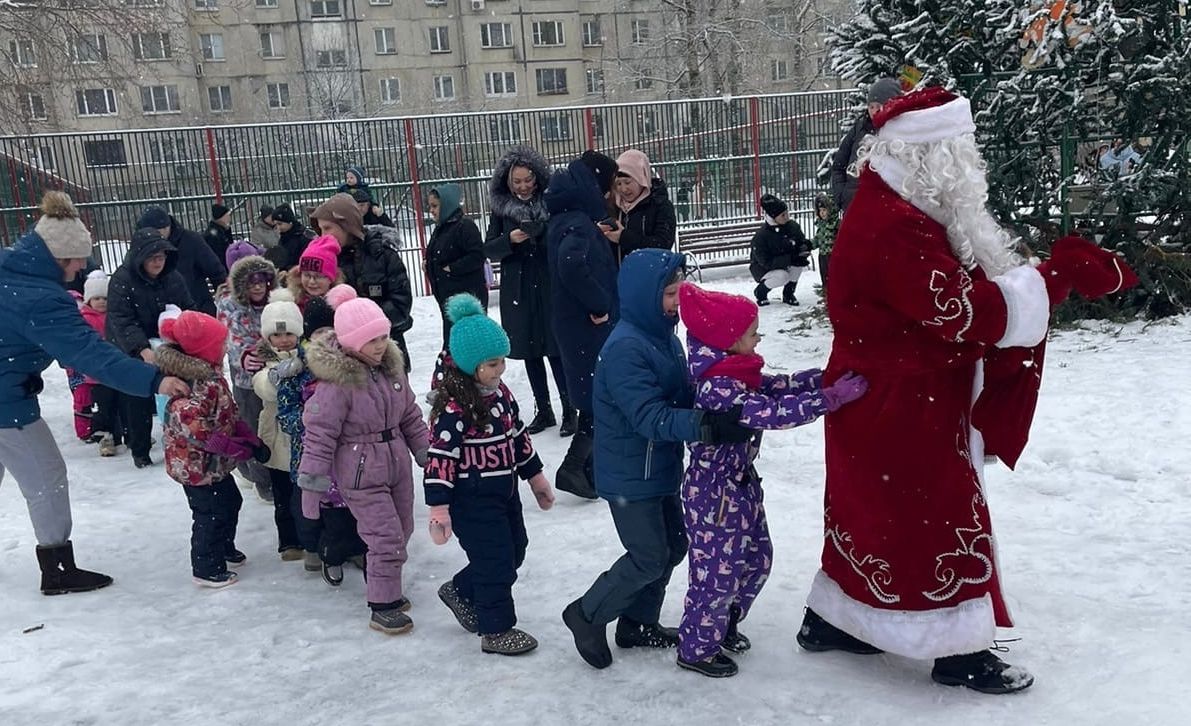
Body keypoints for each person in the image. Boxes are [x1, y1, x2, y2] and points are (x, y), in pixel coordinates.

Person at [801, 86, 1139, 694]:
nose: (970, 161)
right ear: (932, 154)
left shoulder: (901, 201)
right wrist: (1055, 278)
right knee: (933, 513)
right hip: (901, 400)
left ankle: (839, 619)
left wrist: (1035, 276)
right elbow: (959, 310)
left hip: (882, 393)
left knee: (872, 509)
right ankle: (957, 651)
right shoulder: (895, 223)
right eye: (960, 149)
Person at [560, 248, 753, 670]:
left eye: (680, 288)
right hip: (630, 474)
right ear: (644, 295)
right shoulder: (627, 347)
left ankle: (637, 622)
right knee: (648, 555)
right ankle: (587, 614)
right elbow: (649, 416)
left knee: (674, 545)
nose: (678, 298)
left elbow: (681, 394)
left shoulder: (662, 336)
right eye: (669, 292)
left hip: (659, 467)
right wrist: (708, 425)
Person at [673, 283, 868, 677]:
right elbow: (770, 412)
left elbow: (776, 387)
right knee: (716, 573)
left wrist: (821, 378)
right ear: (729, 341)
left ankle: (723, 624)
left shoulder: (737, 370)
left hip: (741, 486)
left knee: (757, 560)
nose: (758, 337)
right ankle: (696, 648)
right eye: (751, 333)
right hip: (716, 495)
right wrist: (828, 400)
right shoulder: (719, 386)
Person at [0, 192, 189, 595]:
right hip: (6, 406)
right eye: (75, 260)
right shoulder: (40, 298)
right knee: (46, 477)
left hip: (8, 389)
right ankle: (57, 568)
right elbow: (91, 354)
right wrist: (153, 381)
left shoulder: (9, 271)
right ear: (58, 256)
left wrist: (18, 368)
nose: (80, 268)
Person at [423, 294, 556, 655]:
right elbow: (440, 460)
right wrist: (439, 508)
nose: (500, 370)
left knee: (515, 551)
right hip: (471, 499)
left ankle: (463, 589)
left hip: (505, 492)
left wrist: (536, 478)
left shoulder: (501, 396)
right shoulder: (455, 408)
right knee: (495, 562)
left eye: (502, 362)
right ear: (470, 365)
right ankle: (496, 629)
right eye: (492, 364)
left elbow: (518, 437)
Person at [298, 298, 430, 634]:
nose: (380, 345)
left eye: (384, 336)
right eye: (372, 340)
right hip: (360, 470)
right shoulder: (337, 385)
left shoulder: (391, 370)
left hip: (396, 461)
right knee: (385, 538)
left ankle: (382, 580)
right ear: (352, 341)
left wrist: (428, 455)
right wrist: (311, 490)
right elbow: (319, 437)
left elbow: (411, 415)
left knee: (402, 529)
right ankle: (383, 605)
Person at [158, 311, 267, 588]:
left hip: (213, 465)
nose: (224, 348)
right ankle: (206, 566)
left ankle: (223, 547)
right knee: (210, 513)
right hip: (195, 467)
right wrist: (234, 448)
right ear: (203, 349)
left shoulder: (211, 375)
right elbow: (199, 432)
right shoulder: (188, 384)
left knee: (231, 502)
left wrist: (247, 436)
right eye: (220, 344)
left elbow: (227, 412)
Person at [274, 289, 367, 582]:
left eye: (331, 331)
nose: (326, 338)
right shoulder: (297, 370)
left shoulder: (347, 364)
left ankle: (350, 547)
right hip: (308, 453)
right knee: (310, 505)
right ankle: (317, 549)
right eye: (319, 332)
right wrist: (312, 424)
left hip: (345, 452)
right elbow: (286, 414)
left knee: (347, 504)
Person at [543, 150, 620, 500]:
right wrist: (599, 303)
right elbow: (571, 264)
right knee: (596, 397)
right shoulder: (576, 221)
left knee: (595, 396)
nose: (607, 196)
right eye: (606, 188)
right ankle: (575, 467)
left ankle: (587, 468)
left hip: (573, 323)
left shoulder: (567, 215)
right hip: (585, 325)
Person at [484, 146, 573, 436]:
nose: (523, 186)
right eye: (517, 181)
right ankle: (543, 409)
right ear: (508, 182)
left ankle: (569, 408)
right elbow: (489, 248)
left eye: (528, 180)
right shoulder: (501, 209)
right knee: (530, 350)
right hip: (518, 288)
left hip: (548, 284)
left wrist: (543, 233)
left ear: (537, 178)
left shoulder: (551, 201)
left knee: (556, 349)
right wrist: (509, 240)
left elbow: (564, 237)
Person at [107, 227, 195, 468]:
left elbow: (187, 307)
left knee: (176, 392)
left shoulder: (172, 277)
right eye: (153, 257)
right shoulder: (122, 280)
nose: (158, 262)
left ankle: (179, 438)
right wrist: (141, 349)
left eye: (162, 256)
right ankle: (140, 448)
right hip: (132, 346)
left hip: (168, 343)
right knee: (137, 395)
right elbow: (121, 319)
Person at [310, 193, 415, 371]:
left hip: (383, 351)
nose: (323, 235)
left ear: (347, 225)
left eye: (328, 228)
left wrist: (366, 328)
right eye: (320, 229)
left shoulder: (383, 256)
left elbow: (401, 304)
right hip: (344, 358)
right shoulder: (326, 261)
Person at [214, 252, 280, 503]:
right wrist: (246, 354)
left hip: (275, 373)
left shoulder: (274, 302)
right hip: (247, 379)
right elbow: (230, 336)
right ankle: (261, 479)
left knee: (276, 427)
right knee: (254, 428)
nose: (257, 287)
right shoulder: (230, 305)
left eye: (262, 282)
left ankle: (271, 473)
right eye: (251, 283)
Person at [251, 296, 305, 562]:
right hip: (277, 438)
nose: (283, 340)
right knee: (283, 493)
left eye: (288, 334)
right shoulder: (262, 362)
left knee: (304, 492)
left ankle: (309, 536)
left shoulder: (308, 358)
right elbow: (263, 387)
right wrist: (277, 376)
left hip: (302, 436)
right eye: (277, 334)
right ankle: (289, 540)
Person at [425, 183, 489, 350]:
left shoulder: (464, 226)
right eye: (430, 206)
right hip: (448, 298)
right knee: (454, 344)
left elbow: (477, 256)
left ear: (446, 205)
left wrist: (453, 268)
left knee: (468, 346)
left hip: (465, 299)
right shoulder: (442, 228)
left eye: (435, 206)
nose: (431, 210)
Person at [136, 206, 227, 316]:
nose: (155, 237)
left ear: (168, 227)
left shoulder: (191, 241)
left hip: (197, 309)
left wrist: (225, 302)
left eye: (159, 232)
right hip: (158, 315)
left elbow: (216, 271)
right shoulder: (139, 247)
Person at [830, 77, 902, 213]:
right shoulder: (859, 128)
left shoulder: (901, 131)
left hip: (886, 211)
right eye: (871, 106)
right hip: (854, 207)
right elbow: (839, 166)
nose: (874, 111)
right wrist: (842, 196)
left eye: (879, 106)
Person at [76, 271, 123, 457]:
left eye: (105, 298)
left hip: (116, 369)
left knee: (120, 404)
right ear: (88, 300)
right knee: (103, 407)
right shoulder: (85, 319)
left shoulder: (114, 316)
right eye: (96, 298)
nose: (101, 302)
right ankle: (105, 437)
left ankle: (121, 434)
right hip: (97, 374)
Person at [604, 149, 677, 266]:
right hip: (619, 278)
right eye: (618, 184)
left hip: (651, 276)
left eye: (628, 182)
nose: (623, 189)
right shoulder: (613, 206)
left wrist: (624, 238)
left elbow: (663, 244)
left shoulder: (660, 205)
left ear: (641, 179)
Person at [749, 194, 813, 306]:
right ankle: (761, 292)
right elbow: (765, 262)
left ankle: (788, 294)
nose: (787, 217)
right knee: (782, 276)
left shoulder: (792, 226)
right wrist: (790, 259)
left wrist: (804, 247)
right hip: (763, 269)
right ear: (773, 217)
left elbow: (800, 241)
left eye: (787, 213)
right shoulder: (761, 236)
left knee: (797, 267)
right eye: (783, 215)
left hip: (785, 262)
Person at [288, 234, 345, 310]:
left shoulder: (341, 307)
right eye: (307, 275)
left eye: (318, 276)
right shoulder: (291, 303)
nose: (311, 281)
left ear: (331, 278)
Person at [266, 203, 316, 271]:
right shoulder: (284, 237)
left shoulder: (304, 237)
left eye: (280, 224)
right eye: (275, 225)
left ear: (290, 222)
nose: (278, 228)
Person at [812, 194, 840, 295]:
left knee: (834, 277)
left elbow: (840, 238)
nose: (822, 213)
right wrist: (809, 244)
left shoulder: (836, 223)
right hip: (823, 255)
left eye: (824, 210)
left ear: (830, 210)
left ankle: (836, 293)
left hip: (833, 256)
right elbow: (818, 239)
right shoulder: (821, 225)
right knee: (824, 276)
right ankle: (826, 292)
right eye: (820, 210)